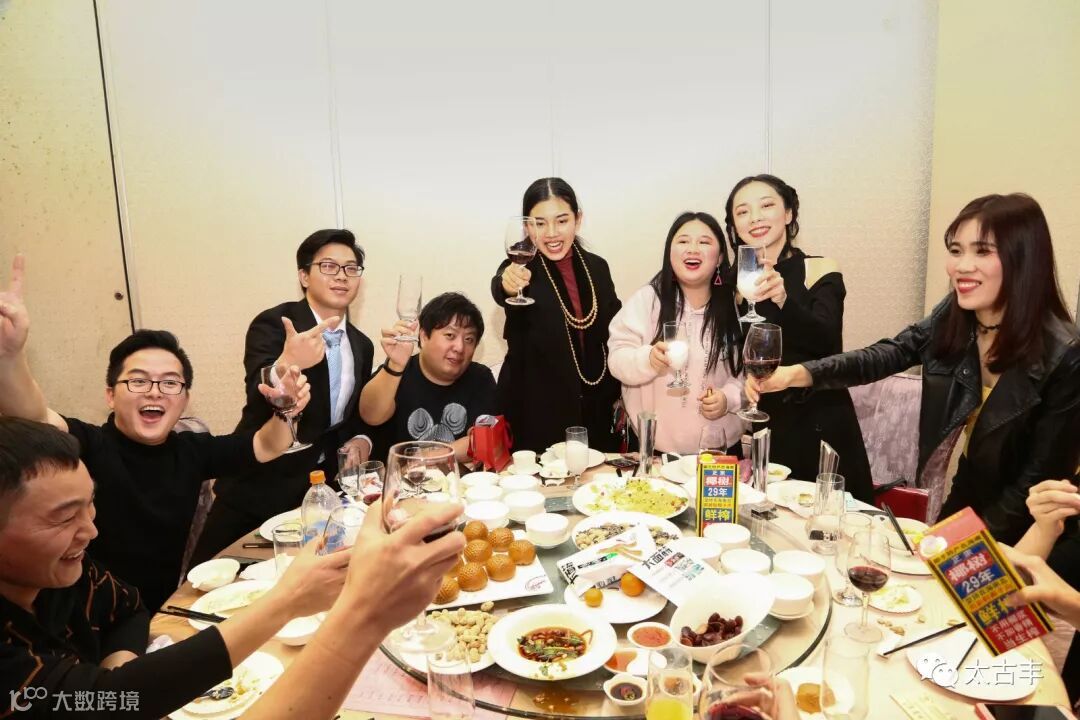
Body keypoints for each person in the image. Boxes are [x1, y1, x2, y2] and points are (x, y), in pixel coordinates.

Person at [750, 193, 1080, 543]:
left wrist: (965, 549)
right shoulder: (959, 316)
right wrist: (793, 375)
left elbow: (1037, 480)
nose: (962, 266)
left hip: (1033, 524)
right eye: (956, 251)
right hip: (971, 486)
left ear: (1024, 259)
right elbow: (886, 355)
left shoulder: (1066, 356)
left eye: (982, 251)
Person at [0, 256, 311, 612]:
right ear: (110, 395)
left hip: (158, 608)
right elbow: (34, 416)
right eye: (138, 380)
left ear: (185, 399)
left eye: (170, 382)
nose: (155, 391)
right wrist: (9, 358)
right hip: (90, 615)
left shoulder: (192, 450)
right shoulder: (90, 445)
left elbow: (267, 444)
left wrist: (287, 408)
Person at [0, 417, 351, 719]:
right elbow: (102, 703)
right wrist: (288, 600)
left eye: (90, 504)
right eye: (64, 518)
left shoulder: (61, 574)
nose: (90, 531)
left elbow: (128, 609)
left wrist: (120, 672)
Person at [193, 229, 376, 564]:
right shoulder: (276, 324)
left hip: (318, 491)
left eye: (351, 268)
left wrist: (361, 438)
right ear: (304, 276)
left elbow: (351, 414)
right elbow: (258, 386)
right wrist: (288, 362)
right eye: (329, 266)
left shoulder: (361, 344)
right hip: (259, 482)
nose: (342, 276)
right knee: (210, 574)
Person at [724, 174, 873, 502]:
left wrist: (784, 301)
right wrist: (746, 381)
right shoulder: (738, 284)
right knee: (770, 515)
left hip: (820, 417)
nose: (755, 218)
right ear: (734, 226)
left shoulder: (818, 269)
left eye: (766, 206)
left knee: (828, 517)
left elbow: (827, 341)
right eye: (743, 212)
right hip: (770, 422)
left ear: (789, 214)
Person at [492, 177, 622, 452]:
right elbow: (501, 285)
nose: (551, 233)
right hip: (535, 417)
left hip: (595, 413)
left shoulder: (597, 268)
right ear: (527, 227)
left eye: (562, 221)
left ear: (578, 219)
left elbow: (616, 331)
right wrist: (507, 284)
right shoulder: (520, 267)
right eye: (540, 223)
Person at [607, 211, 744, 454]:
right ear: (669, 253)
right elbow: (617, 359)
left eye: (704, 242)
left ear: (720, 256)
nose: (692, 249)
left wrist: (728, 398)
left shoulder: (736, 305)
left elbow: (750, 371)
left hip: (720, 452)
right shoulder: (648, 300)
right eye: (683, 241)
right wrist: (648, 359)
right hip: (655, 451)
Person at [360, 292, 497, 462]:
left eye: (469, 339)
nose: (460, 347)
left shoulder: (480, 377)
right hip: (398, 477)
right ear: (424, 337)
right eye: (450, 335)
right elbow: (371, 416)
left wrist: (428, 458)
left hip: (456, 477)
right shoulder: (397, 371)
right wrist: (395, 365)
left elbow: (486, 438)